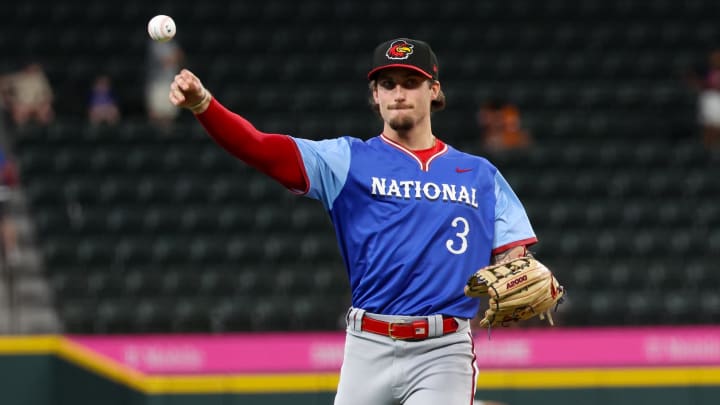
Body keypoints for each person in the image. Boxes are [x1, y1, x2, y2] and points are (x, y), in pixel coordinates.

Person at [169, 38, 538, 405]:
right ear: (375, 94)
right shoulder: (346, 160)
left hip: (443, 351)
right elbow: (261, 148)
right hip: (367, 345)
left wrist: (514, 266)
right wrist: (204, 104)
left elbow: (513, 254)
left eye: (410, 83)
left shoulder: (479, 175)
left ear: (434, 90)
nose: (398, 93)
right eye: (387, 84)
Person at [0, 63, 54, 129]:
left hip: (7, 85)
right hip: (14, 72)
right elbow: (36, 71)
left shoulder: (24, 111)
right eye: (48, 111)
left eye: (43, 116)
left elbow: (10, 103)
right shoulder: (46, 96)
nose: (46, 109)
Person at [146, 39, 184, 130]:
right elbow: (166, 61)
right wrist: (174, 57)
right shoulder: (155, 44)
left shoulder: (172, 42)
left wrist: (174, 57)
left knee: (169, 115)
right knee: (156, 113)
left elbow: (180, 56)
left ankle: (167, 138)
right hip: (157, 82)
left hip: (170, 82)